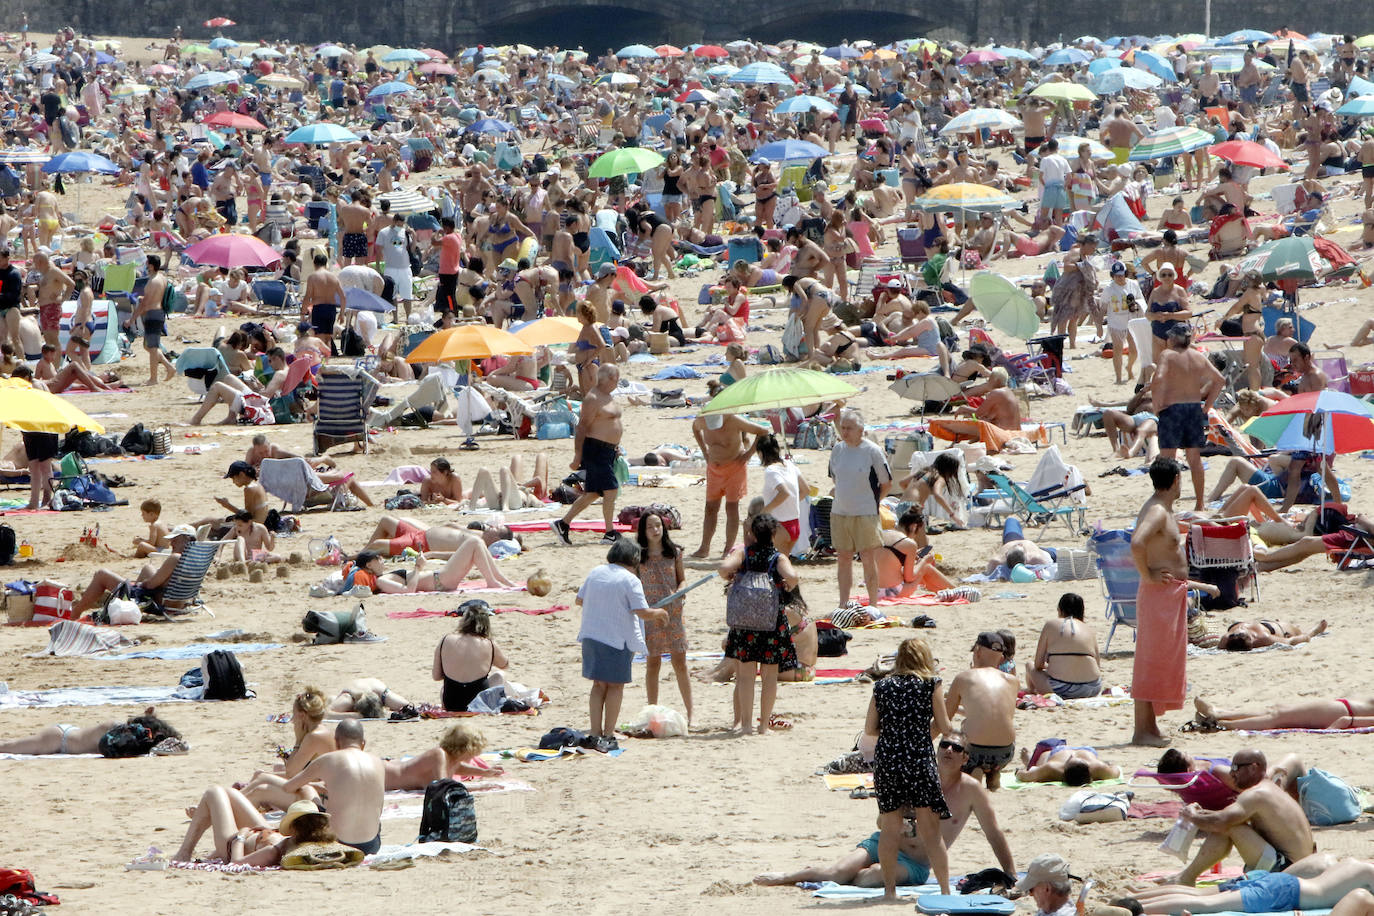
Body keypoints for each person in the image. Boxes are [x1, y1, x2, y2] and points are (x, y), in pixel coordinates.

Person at [754, 731, 1015, 889]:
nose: (948, 750)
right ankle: (785, 876)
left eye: (956, 748)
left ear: (965, 758)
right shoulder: (918, 777)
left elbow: (993, 833)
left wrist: (1011, 874)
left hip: (916, 863)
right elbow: (882, 821)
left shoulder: (971, 791)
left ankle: (846, 877)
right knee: (838, 873)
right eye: (944, 745)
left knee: (871, 877)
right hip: (886, 842)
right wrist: (897, 824)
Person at [862, 637, 953, 899]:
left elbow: (869, 729)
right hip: (918, 759)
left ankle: (889, 891)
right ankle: (945, 891)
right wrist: (920, 732)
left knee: (890, 828)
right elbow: (945, 727)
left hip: (889, 760)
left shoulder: (882, 686)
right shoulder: (930, 684)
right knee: (931, 830)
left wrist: (893, 732)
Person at [1165, 747, 1316, 886]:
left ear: (1253, 768)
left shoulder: (1255, 794)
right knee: (1229, 822)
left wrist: (1192, 816)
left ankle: (1187, 878)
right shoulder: (1269, 788)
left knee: (1230, 826)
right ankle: (1186, 876)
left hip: (1288, 871)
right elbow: (1223, 816)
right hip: (1301, 865)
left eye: (1236, 768)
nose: (1231, 773)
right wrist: (1200, 813)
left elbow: (1221, 822)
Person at [575, 538, 669, 752]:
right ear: (634, 559)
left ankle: (595, 731)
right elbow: (643, 612)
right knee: (615, 686)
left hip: (591, 635)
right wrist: (660, 613)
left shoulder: (596, 572)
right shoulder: (630, 579)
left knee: (598, 685)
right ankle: (608, 733)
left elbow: (579, 600)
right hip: (616, 639)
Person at [720, 513, 800, 737]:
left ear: (752, 533)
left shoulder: (743, 553)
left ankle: (745, 724)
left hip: (744, 622)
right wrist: (785, 585)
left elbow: (723, 568)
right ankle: (763, 725)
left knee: (745, 675)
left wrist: (733, 576)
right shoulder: (778, 557)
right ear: (773, 534)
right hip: (771, 621)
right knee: (769, 675)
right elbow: (793, 577)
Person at [1131, 458, 1189, 746]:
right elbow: (1137, 542)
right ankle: (1141, 730)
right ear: (1176, 479)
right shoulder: (1156, 510)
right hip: (1158, 595)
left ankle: (1149, 727)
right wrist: (1149, 575)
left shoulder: (1163, 508)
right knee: (1149, 660)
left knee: (1159, 660)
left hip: (1167, 595)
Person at [279, 719, 386, 855]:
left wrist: (313, 786)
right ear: (363, 743)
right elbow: (379, 810)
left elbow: (288, 787)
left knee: (306, 789)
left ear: (336, 742)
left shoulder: (328, 759)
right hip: (371, 845)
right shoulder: (378, 763)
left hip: (338, 842)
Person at [1153, 325, 1224, 511]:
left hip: (1172, 409)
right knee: (1194, 459)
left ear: (1173, 339)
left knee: (1167, 460)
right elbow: (1219, 380)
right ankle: (1200, 503)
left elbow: (1159, 378)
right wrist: (1207, 405)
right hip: (1193, 409)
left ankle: (1166, 503)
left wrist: (1156, 404)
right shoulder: (1197, 355)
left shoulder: (1167, 355)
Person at [1136, 859, 1374, 915]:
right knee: (1203, 904)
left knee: (1197, 893)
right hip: (1287, 893)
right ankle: (1137, 911)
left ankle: (1136, 900)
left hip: (1280, 881)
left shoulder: (1356, 863)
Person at [551, 364, 624, 545]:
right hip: (596, 450)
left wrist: (615, 445)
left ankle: (563, 524)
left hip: (607, 450)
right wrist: (577, 457)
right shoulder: (593, 398)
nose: (617, 382)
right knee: (610, 490)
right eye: (616, 378)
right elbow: (582, 427)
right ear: (607, 378)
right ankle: (609, 533)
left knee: (593, 493)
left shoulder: (608, 397)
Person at [828, 409, 892, 606]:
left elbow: (886, 482)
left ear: (861, 430)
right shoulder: (838, 450)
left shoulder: (872, 451)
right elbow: (835, 478)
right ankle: (843, 603)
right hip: (840, 511)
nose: (845, 432)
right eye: (843, 428)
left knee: (867, 557)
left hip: (865, 512)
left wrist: (875, 503)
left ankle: (873, 604)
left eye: (849, 428)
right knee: (843, 558)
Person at [172, 791, 337, 866]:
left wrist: (241, 836)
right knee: (230, 793)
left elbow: (236, 863)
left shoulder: (273, 851)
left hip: (231, 844)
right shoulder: (310, 841)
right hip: (263, 834)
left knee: (213, 793)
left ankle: (184, 853)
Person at [637, 510, 691, 725]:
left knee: (680, 663)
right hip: (651, 615)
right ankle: (653, 713)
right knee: (653, 663)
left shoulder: (674, 552)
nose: (655, 530)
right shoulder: (638, 555)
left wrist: (681, 592)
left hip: (674, 613)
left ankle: (691, 713)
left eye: (658, 525)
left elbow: (682, 580)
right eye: (650, 526)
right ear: (643, 530)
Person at [945, 631, 1019, 789]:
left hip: (972, 752)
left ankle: (973, 772)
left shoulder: (964, 677)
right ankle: (993, 771)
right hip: (1004, 752)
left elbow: (944, 720)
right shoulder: (1013, 682)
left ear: (977, 652)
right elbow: (998, 716)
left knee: (953, 738)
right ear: (1001, 657)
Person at [690, 412, 769, 558]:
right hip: (714, 468)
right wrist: (704, 451)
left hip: (735, 467)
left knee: (731, 508)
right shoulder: (702, 420)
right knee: (710, 508)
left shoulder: (734, 420)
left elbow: (763, 431)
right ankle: (704, 547)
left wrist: (749, 454)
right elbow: (695, 428)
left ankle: (728, 549)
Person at [71, 525, 199, 614]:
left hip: (157, 602)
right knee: (147, 568)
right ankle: (115, 601)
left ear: (186, 540)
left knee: (101, 574)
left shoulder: (176, 558)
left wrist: (137, 584)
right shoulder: (194, 559)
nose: (172, 544)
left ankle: (76, 612)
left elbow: (150, 585)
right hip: (178, 602)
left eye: (175, 540)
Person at [433, 600, 510, 712]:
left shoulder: (446, 639)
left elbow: (436, 676)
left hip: (452, 703)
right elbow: (504, 665)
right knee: (500, 675)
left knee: (445, 686)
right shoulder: (488, 643)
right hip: (479, 703)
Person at [0, 708, 179, 755]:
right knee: (8, 747)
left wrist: (150, 715)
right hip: (58, 739)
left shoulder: (121, 730)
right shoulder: (118, 732)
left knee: (11, 745)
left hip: (63, 736)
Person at [1026, 592, 1102, 699]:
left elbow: (1038, 664)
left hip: (1062, 688)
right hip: (1093, 687)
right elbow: (1098, 666)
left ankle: (1031, 690)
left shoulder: (1051, 625)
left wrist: (1053, 666)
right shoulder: (1089, 630)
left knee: (1030, 666)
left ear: (1060, 610)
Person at [383, 723, 504, 790]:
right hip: (383, 774)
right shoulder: (439, 755)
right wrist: (481, 786)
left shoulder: (449, 759)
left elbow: (457, 767)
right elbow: (445, 785)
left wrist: (486, 772)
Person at [1193, 695, 1374, 732]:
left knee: (1278, 717)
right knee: (1276, 710)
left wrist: (1346, 722)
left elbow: (1347, 720)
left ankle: (1221, 723)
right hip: (1340, 707)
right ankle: (1221, 714)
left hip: (1340, 711)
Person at [758, 434, 807, 555]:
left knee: (777, 565)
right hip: (794, 523)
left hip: (780, 524)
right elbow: (806, 490)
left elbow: (784, 492)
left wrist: (765, 511)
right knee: (784, 563)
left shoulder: (771, 471)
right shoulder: (790, 465)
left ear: (761, 453)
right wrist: (791, 503)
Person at [301, 252, 344, 354]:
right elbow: (343, 297)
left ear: (314, 264)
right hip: (331, 309)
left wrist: (303, 312)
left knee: (319, 337)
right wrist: (342, 313)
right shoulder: (334, 277)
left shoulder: (313, 277)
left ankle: (322, 361)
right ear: (326, 264)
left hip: (319, 308)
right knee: (328, 338)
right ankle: (327, 360)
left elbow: (308, 296)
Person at [1014, 743, 1120, 785]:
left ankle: (1029, 761)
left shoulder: (1052, 768)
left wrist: (1018, 772)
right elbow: (1117, 770)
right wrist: (1107, 767)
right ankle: (1030, 760)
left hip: (1060, 752)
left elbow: (1024, 776)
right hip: (1087, 751)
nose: (1073, 755)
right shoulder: (1097, 767)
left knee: (1043, 759)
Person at [1220, 618, 1328, 652]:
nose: (1240, 627)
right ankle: (1314, 631)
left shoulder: (1225, 639)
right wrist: (1308, 636)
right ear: (1251, 638)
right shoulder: (1263, 639)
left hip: (1263, 623)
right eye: (1240, 630)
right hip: (1281, 629)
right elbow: (1291, 641)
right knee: (1299, 632)